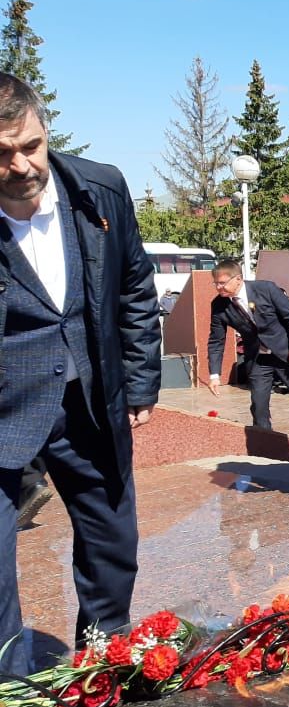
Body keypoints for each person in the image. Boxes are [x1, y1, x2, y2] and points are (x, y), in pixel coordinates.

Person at [0, 72, 162, 675]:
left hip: (88, 398)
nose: (20, 166)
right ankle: (9, 690)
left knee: (111, 540)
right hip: (5, 409)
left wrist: (141, 378)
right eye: (1, 155)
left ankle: (103, 655)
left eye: (30, 146)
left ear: (45, 131)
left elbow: (134, 285)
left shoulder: (100, 189)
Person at [206, 260, 289, 440]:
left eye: (222, 283)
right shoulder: (219, 305)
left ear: (238, 279)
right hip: (258, 359)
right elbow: (216, 341)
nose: (218, 287)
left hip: (288, 353)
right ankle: (264, 449)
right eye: (215, 283)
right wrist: (214, 375)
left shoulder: (266, 289)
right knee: (258, 406)